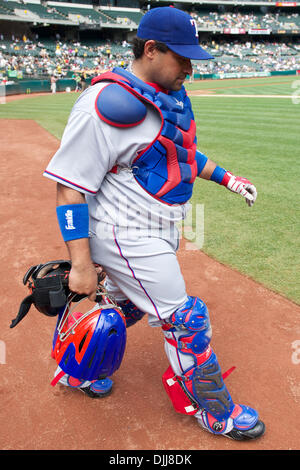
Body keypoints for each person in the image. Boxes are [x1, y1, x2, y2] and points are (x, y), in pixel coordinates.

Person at [43, 6, 265, 440]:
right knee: (187, 319)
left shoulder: (165, 97)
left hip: (158, 229)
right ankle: (215, 411)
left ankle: (77, 370)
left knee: (123, 308)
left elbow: (177, 155)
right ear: (150, 49)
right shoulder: (103, 106)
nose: (189, 68)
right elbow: (69, 188)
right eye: (181, 57)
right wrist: (82, 264)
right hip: (125, 234)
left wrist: (229, 179)